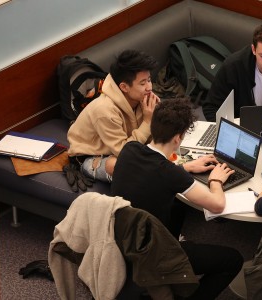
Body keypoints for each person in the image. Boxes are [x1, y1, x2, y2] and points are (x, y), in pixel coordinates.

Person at [111, 98, 243, 300]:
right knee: (233, 260)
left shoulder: (130, 150)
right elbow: (217, 205)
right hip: (151, 252)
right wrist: (216, 180)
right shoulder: (169, 173)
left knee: (178, 207)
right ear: (177, 138)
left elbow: (154, 172)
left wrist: (186, 167)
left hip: (123, 238)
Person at [65, 49, 160, 190]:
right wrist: (148, 122)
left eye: (149, 80)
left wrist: (159, 114)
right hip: (92, 156)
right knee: (118, 166)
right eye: (142, 83)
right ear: (124, 87)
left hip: (127, 146)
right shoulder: (104, 110)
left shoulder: (142, 97)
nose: (149, 87)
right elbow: (125, 153)